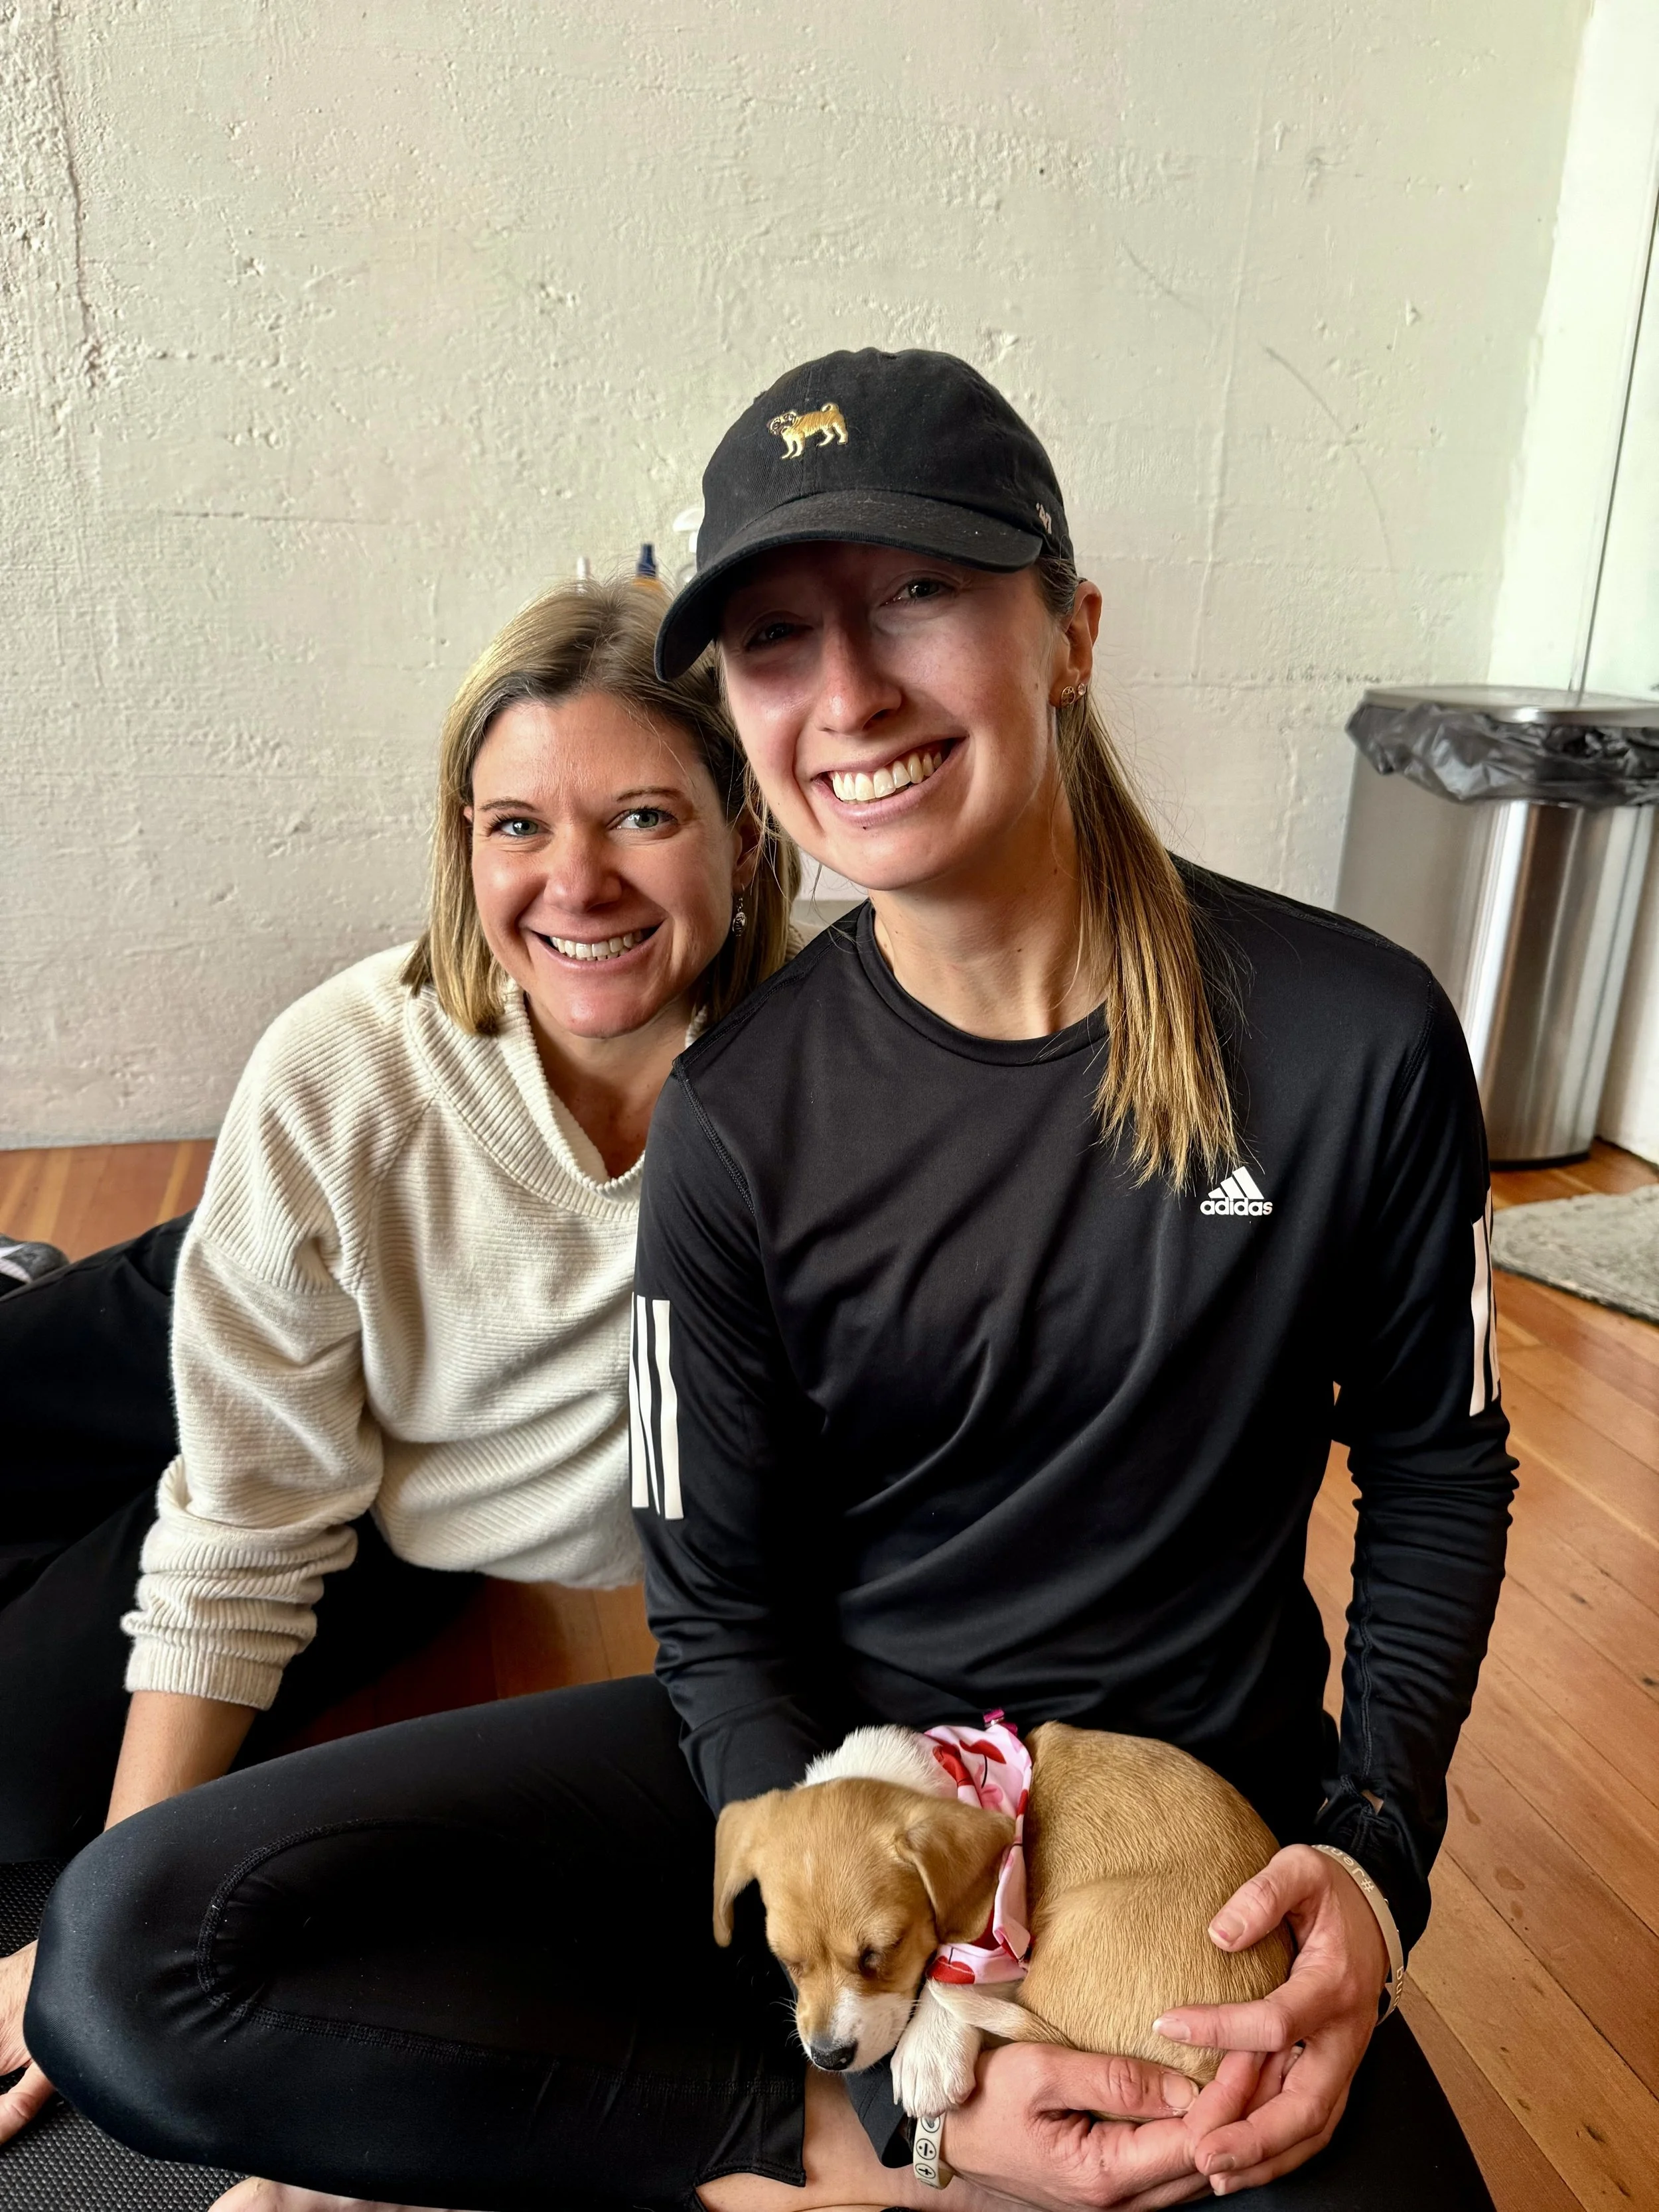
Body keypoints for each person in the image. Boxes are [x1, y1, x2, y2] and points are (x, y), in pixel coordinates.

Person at [24, 352, 1512, 2212]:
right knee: (136, 1956)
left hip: (1167, 1834)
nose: (852, 693)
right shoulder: (739, 1112)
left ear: (1067, 631)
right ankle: (809, 2139)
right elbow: (713, 1599)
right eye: (777, 643)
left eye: (918, 594)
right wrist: (890, 2092)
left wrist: (1371, 1859)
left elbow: (1441, 1467)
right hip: (822, 1780)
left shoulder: (1349, 1033)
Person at [0, 574, 797, 2140]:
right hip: (248, 1300)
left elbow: (276, 1529)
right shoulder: (342, 1063)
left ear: (744, 836)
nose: (574, 881)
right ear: (460, 840)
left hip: (402, 1465)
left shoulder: (824, 1098)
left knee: (18, 1797)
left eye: (641, 815)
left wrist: (106, 1908)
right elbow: (240, 1502)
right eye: (515, 825)